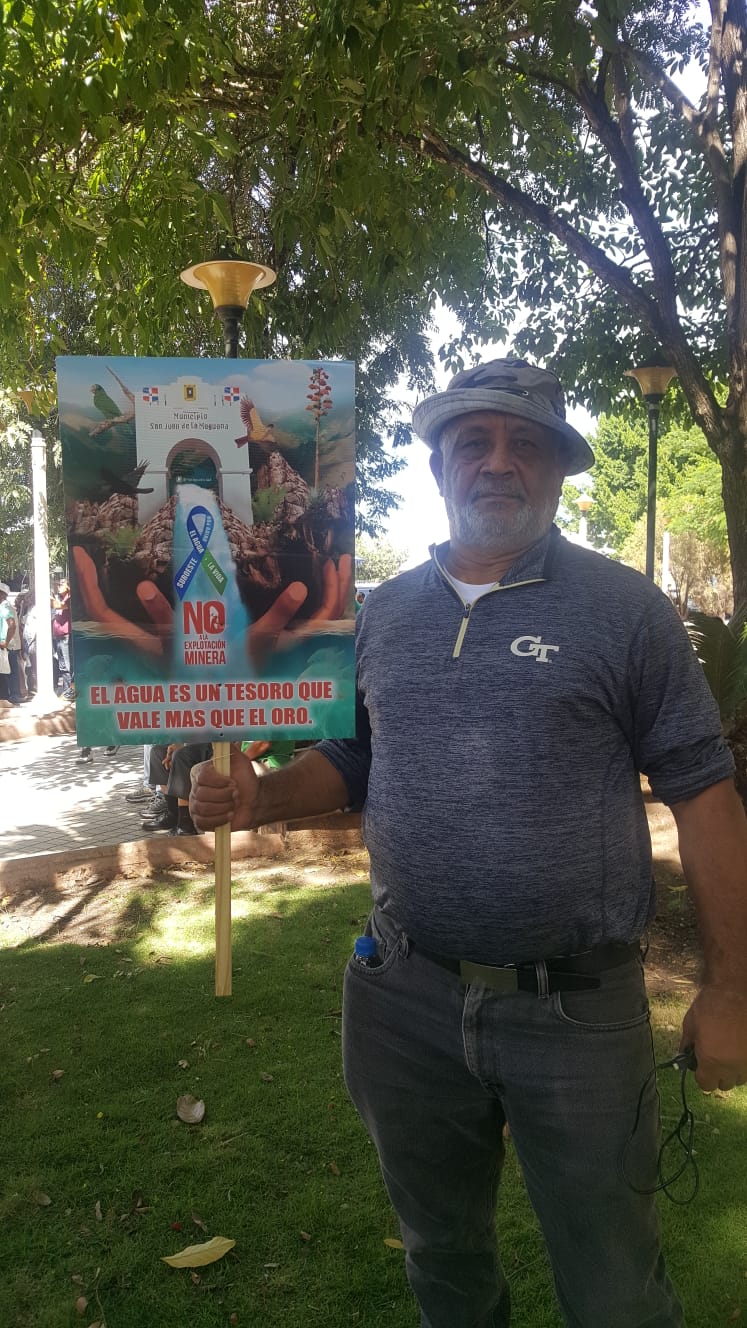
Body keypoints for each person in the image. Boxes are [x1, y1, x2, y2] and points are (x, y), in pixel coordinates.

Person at [190, 358, 747, 1328]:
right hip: (403, 998)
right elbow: (357, 753)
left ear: (558, 468)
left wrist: (732, 990)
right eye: (474, 441)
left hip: (576, 1015)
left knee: (615, 1289)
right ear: (439, 465)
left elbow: (705, 798)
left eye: (525, 443)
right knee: (442, 1263)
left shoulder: (625, 612)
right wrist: (259, 795)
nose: (498, 462)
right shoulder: (382, 612)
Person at [0, 582, 16, 704]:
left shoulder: (4, 607)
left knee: (2, 673)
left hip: (1, 644)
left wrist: (5, 641)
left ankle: (4, 699)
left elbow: (12, 625)